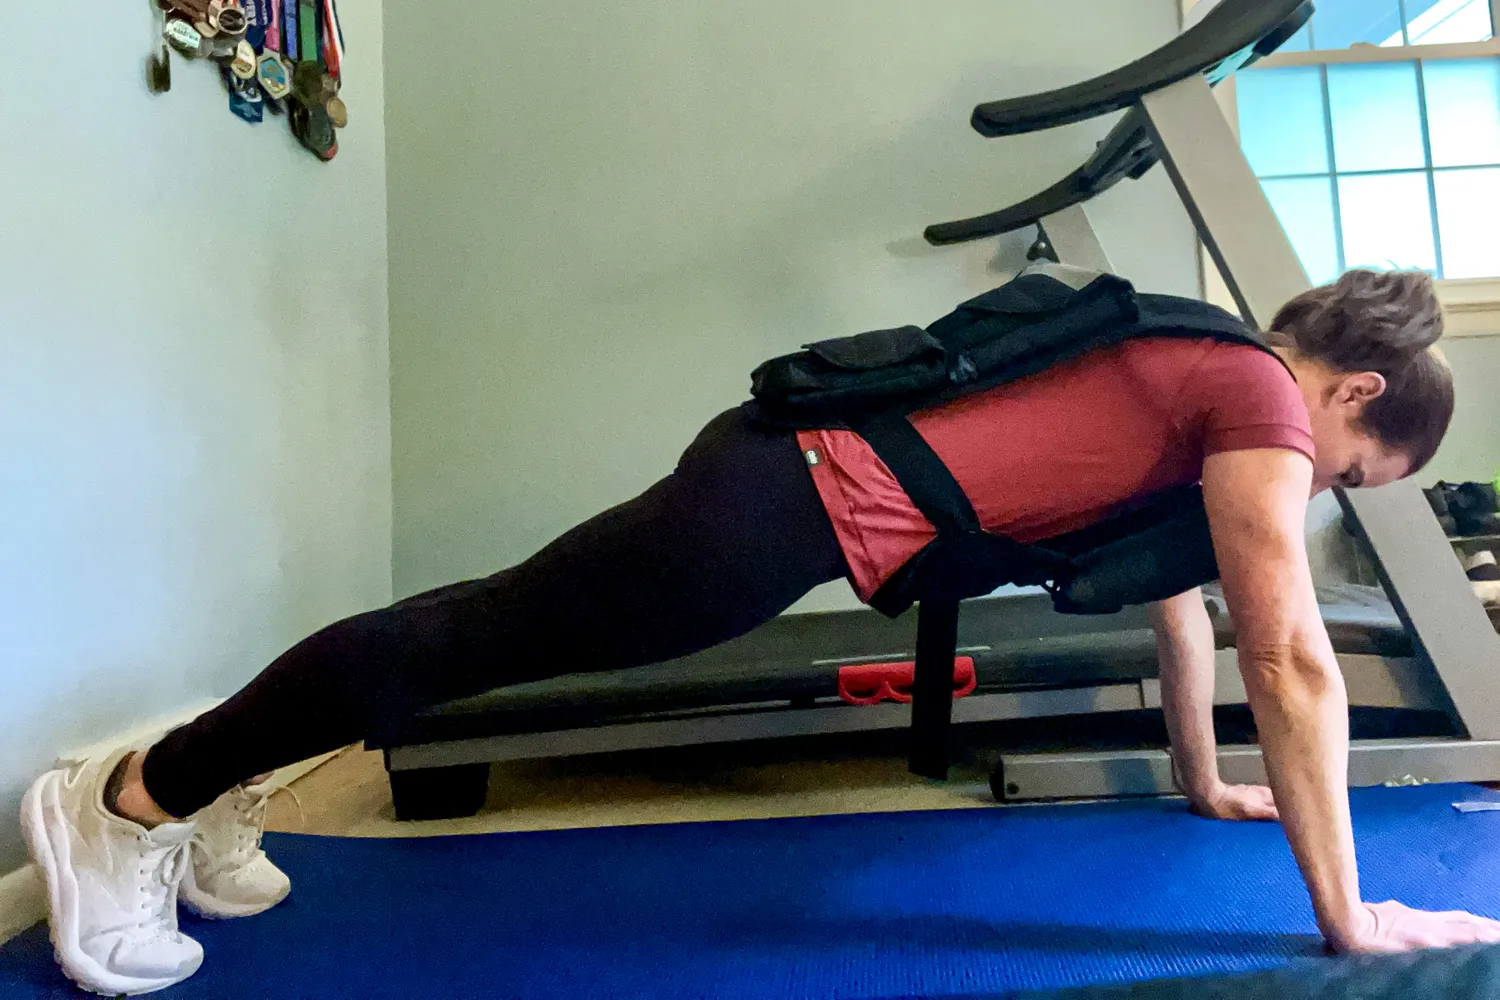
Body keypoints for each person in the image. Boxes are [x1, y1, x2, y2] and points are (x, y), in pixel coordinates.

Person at [23, 268, 1500, 996]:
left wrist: (1200, 781)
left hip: (782, 488)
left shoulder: (1202, 375)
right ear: (1355, 398)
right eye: (1348, 479)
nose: (1320, 495)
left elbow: (1183, 606)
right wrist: (1349, 921)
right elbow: (1288, 651)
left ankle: (200, 793)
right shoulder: (1251, 398)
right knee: (472, 641)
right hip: (782, 509)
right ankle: (128, 802)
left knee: (475, 634)